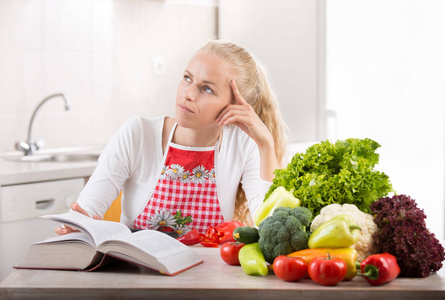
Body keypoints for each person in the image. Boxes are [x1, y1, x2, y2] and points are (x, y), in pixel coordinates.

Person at [55, 40, 288, 236]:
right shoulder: (137, 134)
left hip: (207, 282)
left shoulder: (244, 145)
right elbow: (85, 210)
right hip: (138, 277)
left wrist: (265, 143)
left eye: (207, 89)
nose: (188, 94)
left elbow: (271, 226)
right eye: (187, 78)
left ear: (235, 105)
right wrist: (78, 228)